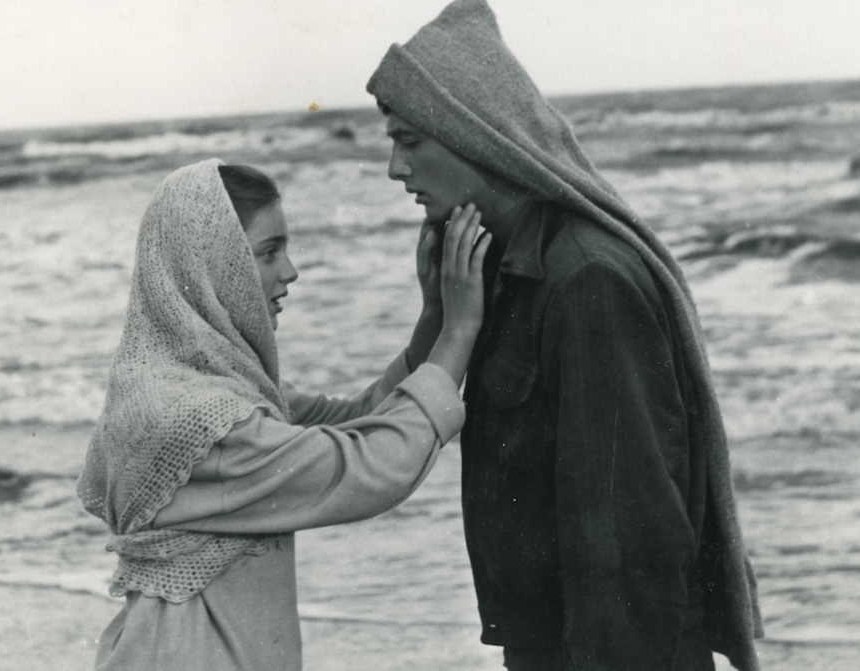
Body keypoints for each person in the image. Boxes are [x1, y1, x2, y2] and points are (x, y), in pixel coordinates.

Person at [366, 1, 763, 670]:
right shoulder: (500, 267)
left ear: (472, 135)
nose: (394, 170)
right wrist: (438, 314)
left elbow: (626, 539)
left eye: (409, 142)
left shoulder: (584, 280)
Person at [76, 158, 490, 670]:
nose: (289, 272)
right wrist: (460, 331)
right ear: (211, 264)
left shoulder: (188, 385)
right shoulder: (200, 422)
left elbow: (354, 420)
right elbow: (370, 466)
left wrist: (433, 317)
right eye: (268, 252)